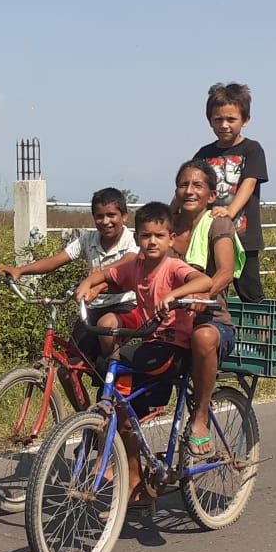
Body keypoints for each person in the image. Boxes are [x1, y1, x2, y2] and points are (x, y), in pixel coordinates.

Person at [74, 201, 212, 505]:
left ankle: (127, 439)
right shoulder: (135, 265)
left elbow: (205, 281)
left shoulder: (174, 267)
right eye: (146, 236)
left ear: (171, 239)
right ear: (137, 238)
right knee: (114, 381)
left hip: (174, 346)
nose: (152, 241)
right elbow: (104, 274)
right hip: (150, 339)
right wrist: (87, 285)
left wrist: (175, 294)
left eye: (159, 236)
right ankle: (133, 475)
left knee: (118, 368)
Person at [0, 187, 138, 409]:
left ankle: (109, 381)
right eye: (99, 216)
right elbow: (56, 260)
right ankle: (86, 422)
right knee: (67, 371)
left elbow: (128, 264)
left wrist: (99, 277)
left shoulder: (131, 240)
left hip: (122, 306)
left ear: (124, 217)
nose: (105, 221)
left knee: (105, 356)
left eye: (112, 215)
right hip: (90, 308)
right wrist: (20, 270)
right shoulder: (88, 239)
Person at [170, 159, 244, 458]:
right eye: (183, 184)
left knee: (203, 338)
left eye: (197, 185)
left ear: (211, 195)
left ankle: (201, 417)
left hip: (212, 321)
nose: (189, 190)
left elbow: (225, 272)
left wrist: (203, 296)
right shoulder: (167, 228)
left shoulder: (217, 223)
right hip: (171, 321)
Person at [194, 82, 269, 302]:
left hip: (244, 237)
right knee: (211, 290)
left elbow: (249, 183)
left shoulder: (252, 149)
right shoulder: (203, 154)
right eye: (218, 119)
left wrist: (231, 210)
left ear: (245, 121)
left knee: (250, 292)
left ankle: (261, 335)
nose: (224, 125)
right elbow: (189, 185)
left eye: (231, 119)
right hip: (213, 236)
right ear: (210, 121)